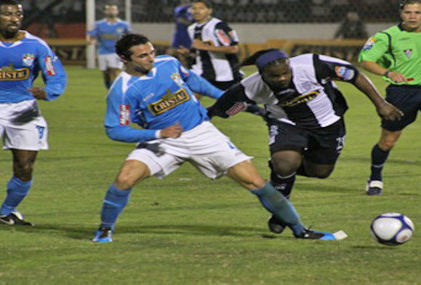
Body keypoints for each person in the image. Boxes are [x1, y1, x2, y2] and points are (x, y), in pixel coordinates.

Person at [91, 33, 346, 243]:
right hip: (162, 141)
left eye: (151, 52)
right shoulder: (122, 90)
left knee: (255, 182)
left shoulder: (167, 63)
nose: (151, 58)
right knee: (124, 179)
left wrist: (227, 100)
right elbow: (115, 130)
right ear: (124, 59)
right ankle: (104, 228)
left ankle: (301, 230)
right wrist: (158, 133)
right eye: (143, 55)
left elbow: (196, 83)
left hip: (202, 133)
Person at [207, 49, 403, 234]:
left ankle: (283, 170)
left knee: (321, 172)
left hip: (329, 122)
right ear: (262, 75)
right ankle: (280, 209)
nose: (282, 78)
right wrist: (206, 117)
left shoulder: (312, 65)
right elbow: (222, 108)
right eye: (274, 76)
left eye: (285, 72)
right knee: (285, 164)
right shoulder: (250, 87)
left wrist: (381, 104)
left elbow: (354, 75)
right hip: (287, 123)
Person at [0, 0, 67, 225]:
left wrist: (49, 91)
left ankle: (7, 212)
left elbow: (55, 74)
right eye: (8, 14)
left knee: (24, 166)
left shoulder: (36, 45)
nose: (14, 18)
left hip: (23, 109)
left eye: (18, 14)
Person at [358, 0, 421, 196]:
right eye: (408, 12)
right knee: (387, 141)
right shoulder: (386, 37)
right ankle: (375, 178)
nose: (412, 16)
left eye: (417, 12)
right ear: (401, 14)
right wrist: (388, 73)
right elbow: (365, 60)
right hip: (402, 93)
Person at [178, 0, 266, 117]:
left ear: (209, 10)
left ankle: (262, 112)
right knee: (187, 98)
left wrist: (203, 47)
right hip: (202, 72)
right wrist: (188, 53)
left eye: (201, 8)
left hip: (224, 73)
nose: (197, 11)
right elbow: (201, 52)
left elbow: (233, 48)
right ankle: (188, 124)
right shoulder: (191, 29)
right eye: (194, 8)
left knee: (237, 103)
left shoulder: (218, 27)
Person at [87, 3, 131, 89]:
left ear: (117, 11)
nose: (111, 11)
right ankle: (109, 87)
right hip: (103, 51)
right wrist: (90, 41)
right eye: (109, 9)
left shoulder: (123, 24)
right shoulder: (99, 24)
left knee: (113, 70)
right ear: (105, 11)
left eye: (113, 9)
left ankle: (115, 90)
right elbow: (92, 35)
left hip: (117, 51)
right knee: (105, 73)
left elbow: (129, 36)